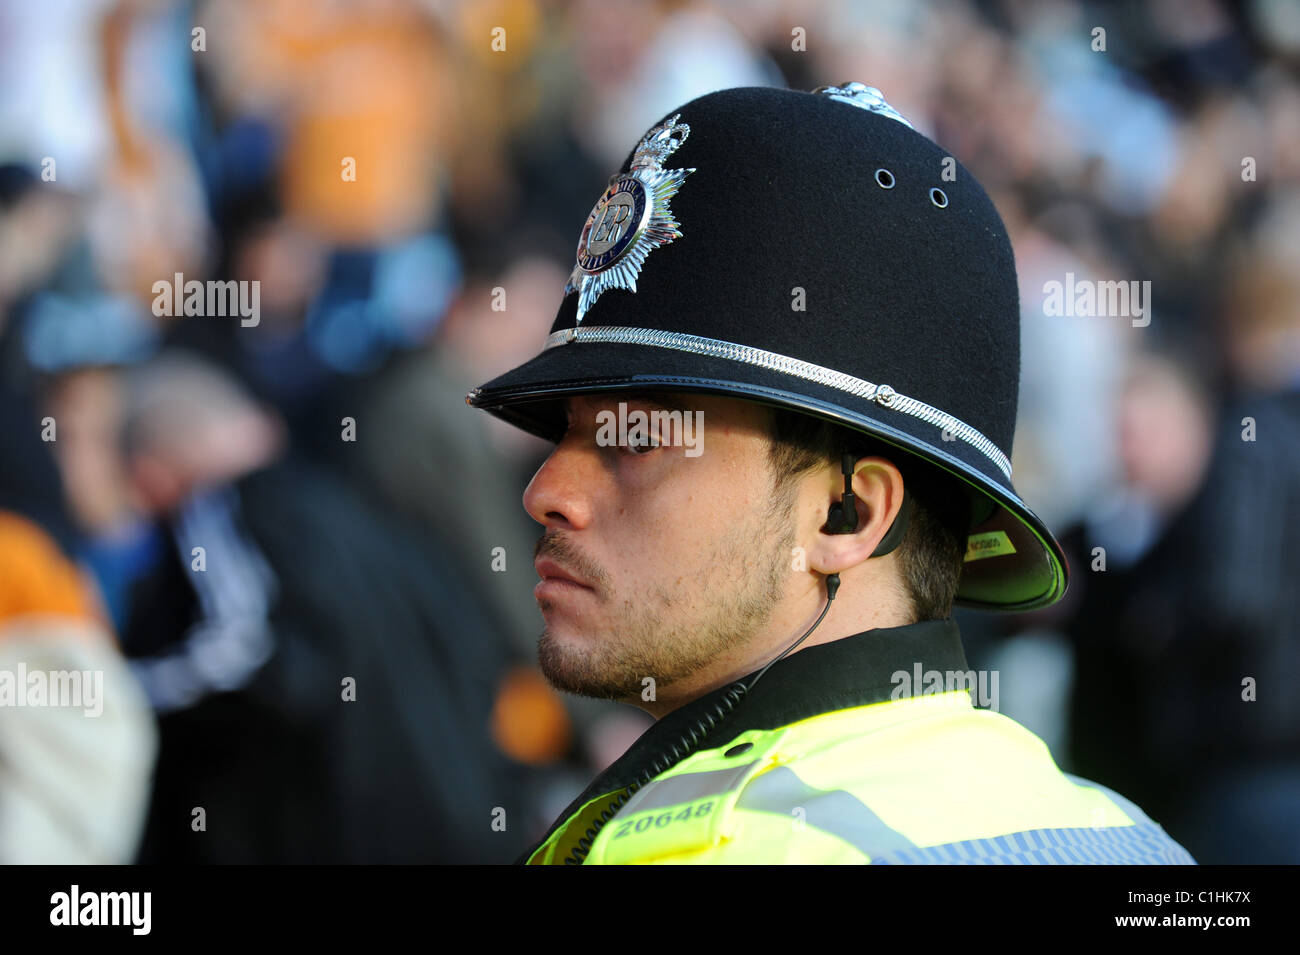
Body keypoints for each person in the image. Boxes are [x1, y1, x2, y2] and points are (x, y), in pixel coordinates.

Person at [467, 84, 1195, 864]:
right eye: (567, 431)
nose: (547, 492)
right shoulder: (1131, 840)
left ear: (847, 514)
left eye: (637, 439)